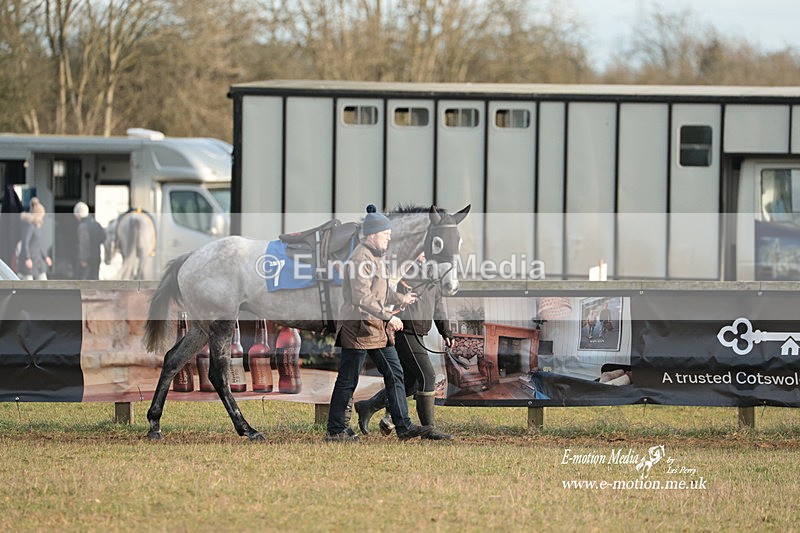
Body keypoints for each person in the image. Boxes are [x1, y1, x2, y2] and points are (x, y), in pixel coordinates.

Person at [326, 205, 433, 442]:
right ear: (373, 234)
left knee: (395, 374)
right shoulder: (360, 258)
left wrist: (401, 298)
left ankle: (403, 427)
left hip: (375, 328)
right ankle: (335, 430)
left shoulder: (376, 257)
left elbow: (382, 290)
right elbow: (361, 297)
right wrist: (389, 316)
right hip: (358, 329)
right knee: (348, 379)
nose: (389, 238)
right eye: (386, 234)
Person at [355, 252, 455, 440]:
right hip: (404, 331)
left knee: (410, 383)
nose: (424, 253)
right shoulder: (401, 268)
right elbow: (386, 293)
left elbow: (438, 304)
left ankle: (368, 406)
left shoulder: (433, 272)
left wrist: (446, 331)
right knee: (427, 376)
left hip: (419, 333)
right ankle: (429, 429)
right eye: (421, 249)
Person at [18, 197, 51, 280]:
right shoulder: (30, 226)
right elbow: (25, 242)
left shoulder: (37, 226)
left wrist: (45, 256)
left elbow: (38, 244)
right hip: (30, 259)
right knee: (28, 281)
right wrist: (27, 258)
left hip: (37, 259)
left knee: (43, 279)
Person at [73, 201, 105, 280]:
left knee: (82, 282)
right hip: (97, 257)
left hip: (87, 260)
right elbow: (104, 237)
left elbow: (84, 243)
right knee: (94, 280)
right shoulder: (97, 224)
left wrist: (84, 259)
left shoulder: (83, 226)